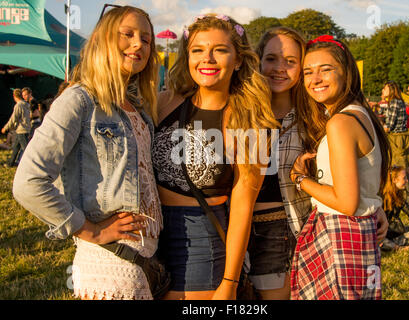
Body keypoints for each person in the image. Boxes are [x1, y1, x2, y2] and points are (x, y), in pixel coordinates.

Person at [13, 6, 162, 300]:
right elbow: (28, 182)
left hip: (148, 261)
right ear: (104, 39)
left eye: (146, 39)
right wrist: (91, 230)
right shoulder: (78, 100)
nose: (138, 45)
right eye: (128, 34)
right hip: (109, 264)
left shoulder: (140, 109)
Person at [152, 14, 278, 300]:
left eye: (219, 50)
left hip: (202, 243)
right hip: (149, 236)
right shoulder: (163, 102)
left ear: (238, 60)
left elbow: (242, 211)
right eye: (198, 50)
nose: (206, 59)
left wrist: (229, 284)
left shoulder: (250, 123)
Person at [290, 35, 391, 300]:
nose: (315, 79)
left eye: (326, 69)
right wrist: (376, 205)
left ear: (346, 73)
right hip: (359, 232)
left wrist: (300, 179)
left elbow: (346, 202)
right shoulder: (360, 113)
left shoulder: (340, 123)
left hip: (342, 232)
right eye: (308, 72)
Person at [245, 27, 312, 300]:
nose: (279, 68)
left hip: (283, 229)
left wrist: (375, 205)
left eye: (290, 62)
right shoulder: (241, 110)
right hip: (230, 230)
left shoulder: (312, 118)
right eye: (271, 59)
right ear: (259, 61)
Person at [381, 80, 409, 202]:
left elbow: (389, 125)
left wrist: (379, 129)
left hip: (396, 138)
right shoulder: (399, 102)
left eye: (384, 89)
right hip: (399, 137)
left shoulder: (394, 103)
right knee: (401, 167)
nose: (382, 91)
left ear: (391, 90)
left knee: (399, 167)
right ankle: (404, 194)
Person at [1, 88, 30, 167]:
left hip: (22, 130)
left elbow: (13, 119)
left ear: (14, 96)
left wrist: (5, 128)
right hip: (25, 129)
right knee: (16, 148)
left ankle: (31, 164)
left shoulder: (18, 105)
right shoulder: (26, 104)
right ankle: (10, 163)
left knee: (26, 149)